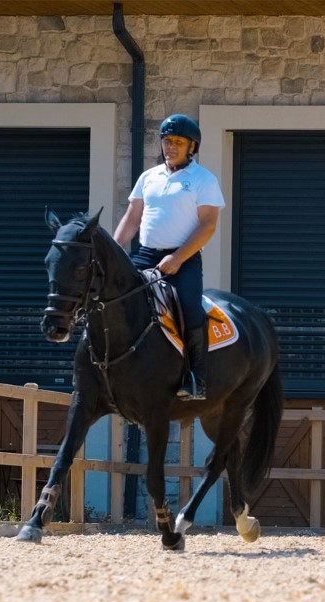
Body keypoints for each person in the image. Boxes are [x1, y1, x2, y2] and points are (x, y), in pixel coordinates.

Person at [112, 113, 225, 400]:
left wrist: (177, 258)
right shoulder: (148, 178)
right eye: (166, 141)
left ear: (192, 147)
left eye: (177, 141)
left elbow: (208, 225)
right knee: (114, 298)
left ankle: (197, 377)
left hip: (184, 259)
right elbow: (132, 218)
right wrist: (114, 249)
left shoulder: (203, 180)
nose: (170, 146)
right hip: (145, 255)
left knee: (189, 308)